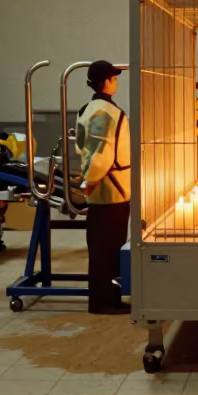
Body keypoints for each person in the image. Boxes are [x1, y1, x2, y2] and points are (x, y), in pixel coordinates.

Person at [76, 60, 131, 314]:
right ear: (105, 82)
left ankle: (105, 297)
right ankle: (103, 302)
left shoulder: (87, 109)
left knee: (102, 246)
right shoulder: (105, 112)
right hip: (110, 191)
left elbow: (83, 148)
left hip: (106, 189)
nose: (116, 82)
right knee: (107, 249)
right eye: (114, 78)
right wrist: (91, 182)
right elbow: (100, 154)